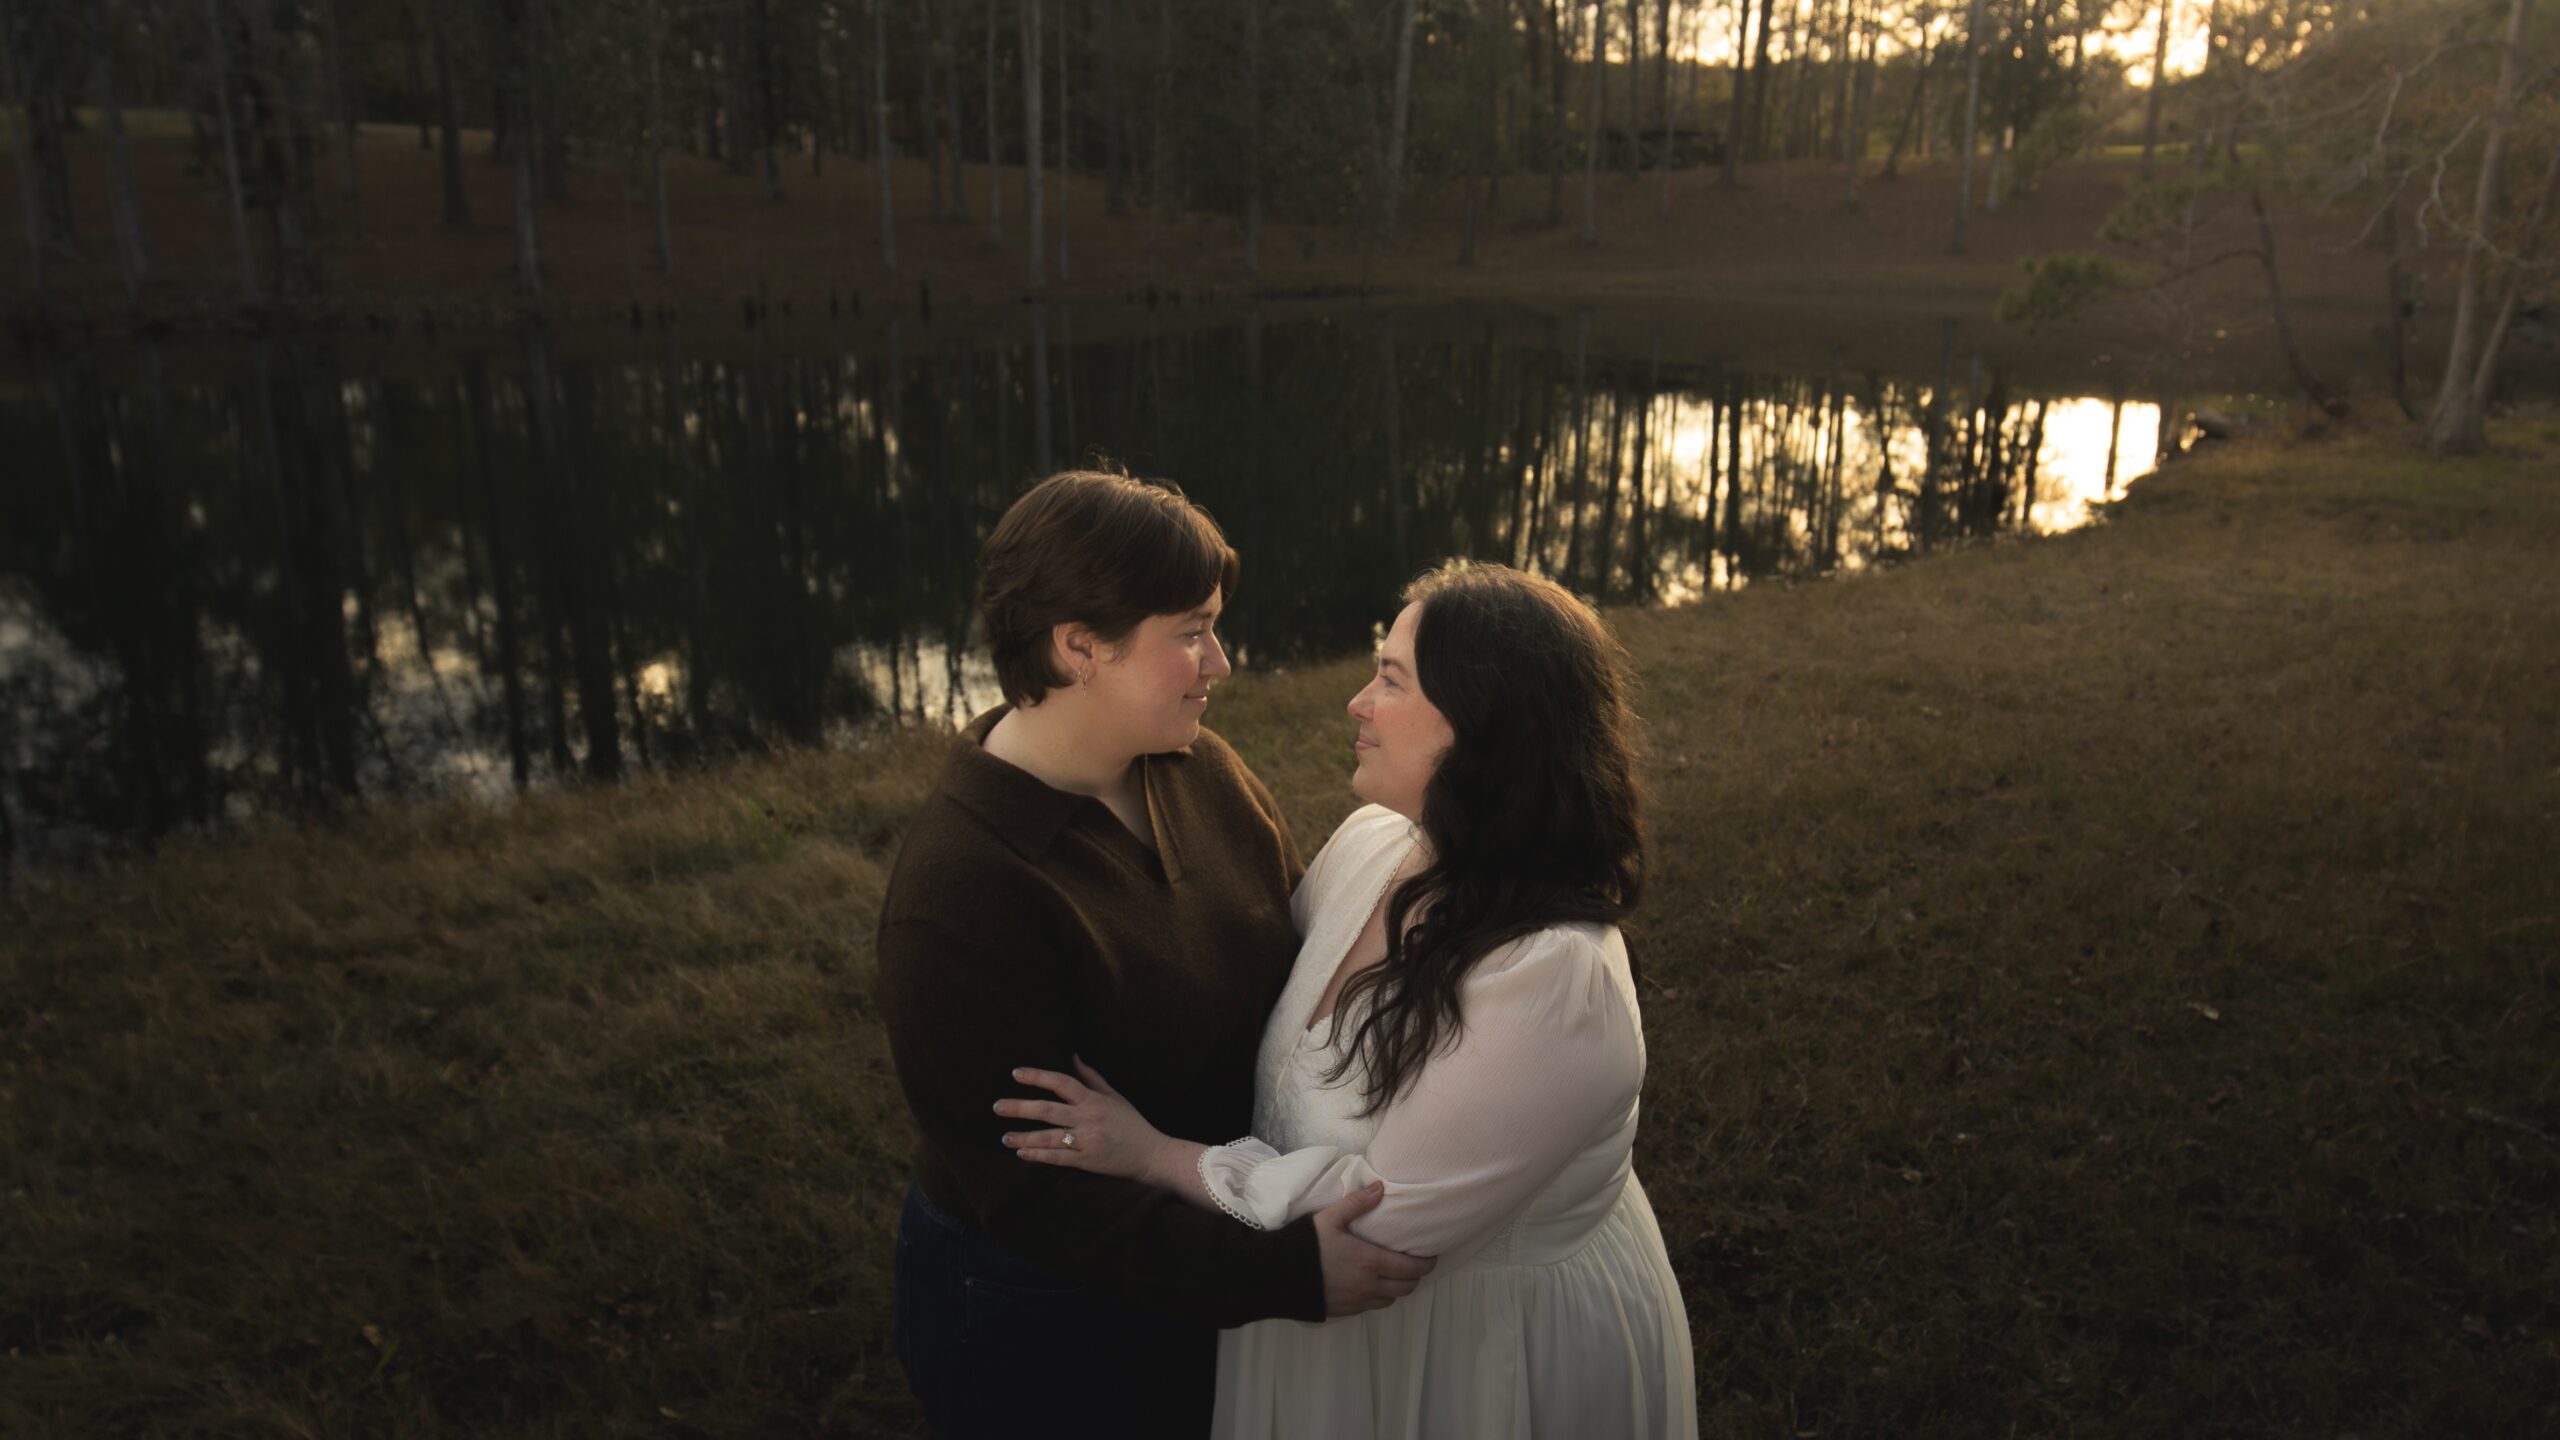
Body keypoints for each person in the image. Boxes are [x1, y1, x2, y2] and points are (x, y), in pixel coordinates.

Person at [996, 561, 1699, 1439]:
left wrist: (1154, 1157)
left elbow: (1377, 1227)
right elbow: (1260, 1004)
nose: (1357, 703)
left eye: (1392, 681)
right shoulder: (1378, 844)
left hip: (1480, 1362)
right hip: (1319, 1328)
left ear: (1482, 727)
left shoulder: (1556, 979)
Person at [874, 471, 1437, 1440]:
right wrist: (1283, 1271)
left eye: (1215, 626)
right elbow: (1043, 1198)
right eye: (1189, 632)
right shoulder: (960, 894)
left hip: (1207, 1249)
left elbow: (1299, 970)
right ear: (1077, 647)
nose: (1220, 660)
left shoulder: (1197, 770)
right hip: (1045, 1314)